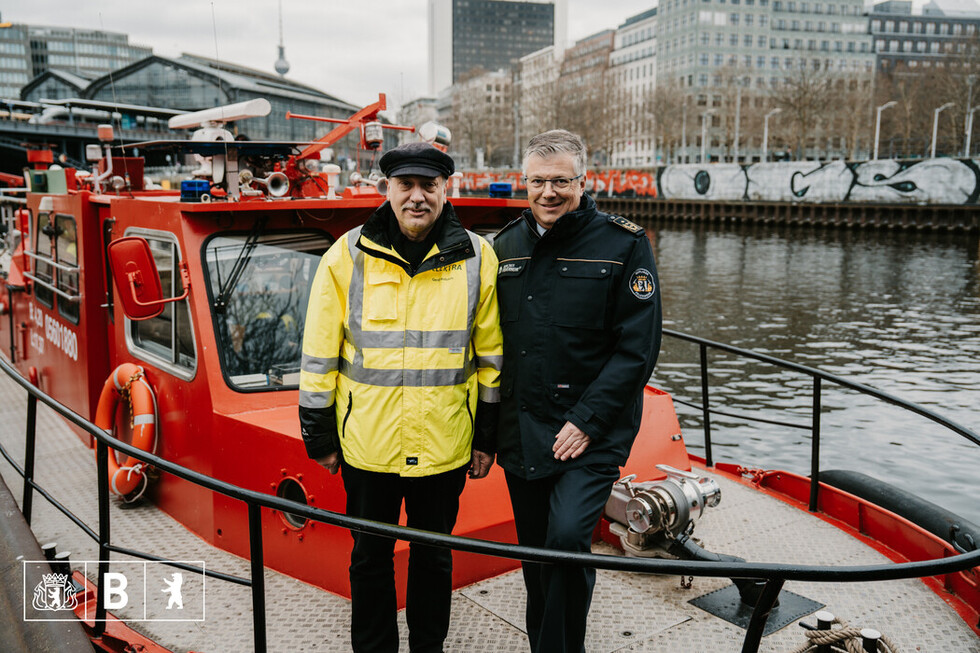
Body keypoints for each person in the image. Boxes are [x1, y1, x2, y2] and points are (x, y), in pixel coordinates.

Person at [298, 141, 503, 652]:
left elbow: (492, 359)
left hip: (445, 445)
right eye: (406, 185)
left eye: (428, 186)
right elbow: (318, 353)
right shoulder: (344, 256)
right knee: (370, 555)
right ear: (386, 188)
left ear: (444, 189)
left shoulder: (480, 258)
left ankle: (427, 649)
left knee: (435, 558)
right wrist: (319, 436)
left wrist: (487, 438)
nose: (417, 197)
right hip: (368, 445)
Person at [492, 130, 662, 653]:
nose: (549, 193)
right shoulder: (503, 248)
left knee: (566, 540)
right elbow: (491, 348)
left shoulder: (623, 244)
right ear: (525, 184)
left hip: (592, 432)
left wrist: (588, 420)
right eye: (538, 182)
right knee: (536, 553)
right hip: (523, 430)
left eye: (560, 181)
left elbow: (638, 349)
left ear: (582, 182)